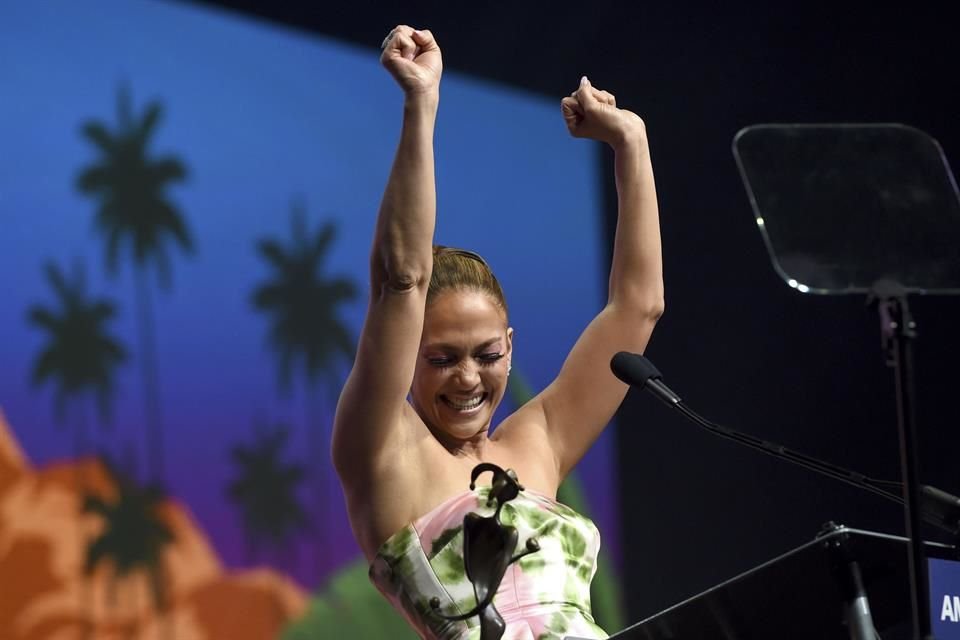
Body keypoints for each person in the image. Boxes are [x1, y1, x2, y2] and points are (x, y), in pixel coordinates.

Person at [332, 24, 663, 640]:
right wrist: (420, 105)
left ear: (510, 348)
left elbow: (637, 308)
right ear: (407, 359)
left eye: (486, 355)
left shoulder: (538, 442)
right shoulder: (382, 450)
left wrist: (631, 143)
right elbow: (401, 279)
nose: (466, 377)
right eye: (440, 359)